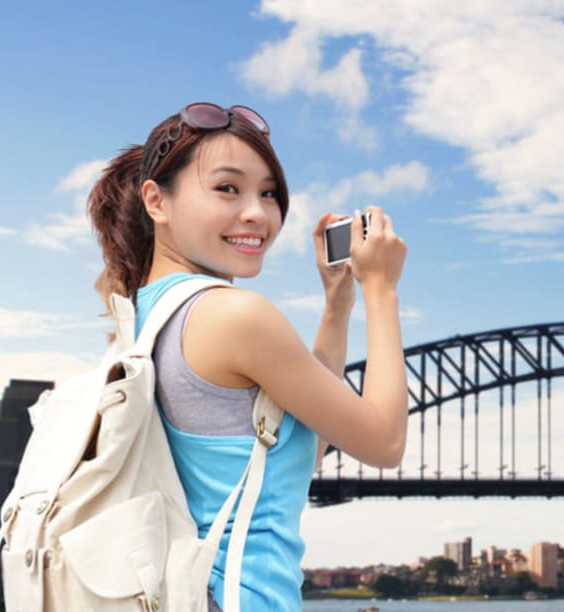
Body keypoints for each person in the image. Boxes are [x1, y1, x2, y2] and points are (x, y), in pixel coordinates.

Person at [87, 102, 408, 610]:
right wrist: (382, 290)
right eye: (227, 188)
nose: (258, 213)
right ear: (156, 201)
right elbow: (386, 442)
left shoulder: (139, 318)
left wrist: (337, 303)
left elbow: (293, 453)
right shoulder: (234, 316)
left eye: (269, 193)